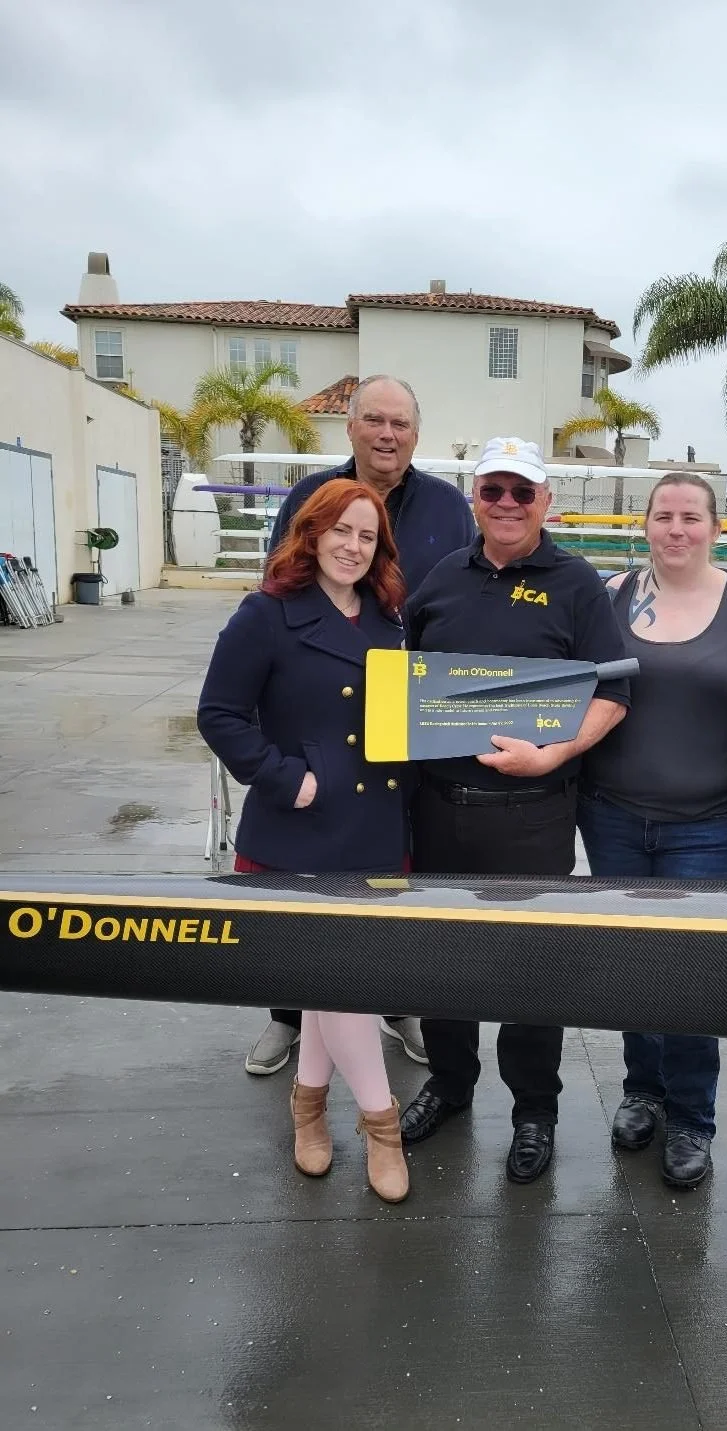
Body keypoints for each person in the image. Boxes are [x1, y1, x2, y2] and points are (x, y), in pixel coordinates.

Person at [399, 436, 631, 1184]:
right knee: (441, 959)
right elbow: (401, 683)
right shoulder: (438, 578)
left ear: (545, 501)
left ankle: (535, 1108)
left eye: (520, 492)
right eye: (492, 490)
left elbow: (613, 691)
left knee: (531, 965)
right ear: (474, 498)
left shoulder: (576, 584)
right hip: (438, 808)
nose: (505, 504)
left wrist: (556, 753)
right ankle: (450, 1083)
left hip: (531, 810)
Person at [247, 374, 475, 1076]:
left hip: (406, 732)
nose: (386, 433)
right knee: (300, 892)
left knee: (387, 886)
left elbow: (462, 610)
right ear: (348, 427)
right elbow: (275, 599)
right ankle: (289, 1016)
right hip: (315, 720)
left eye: (400, 422)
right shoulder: (310, 499)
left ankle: (393, 1006)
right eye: (373, 419)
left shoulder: (448, 508)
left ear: (416, 432)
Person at [197, 477, 411, 1204]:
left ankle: (308, 1108)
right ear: (311, 532)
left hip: (375, 829)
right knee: (337, 979)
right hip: (300, 828)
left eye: (367, 535)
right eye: (340, 530)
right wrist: (288, 778)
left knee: (334, 985)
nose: (353, 546)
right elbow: (220, 715)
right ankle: (384, 1125)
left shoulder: (388, 617)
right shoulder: (267, 613)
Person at [578, 473, 727, 1189]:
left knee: (693, 972)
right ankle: (643, 1088)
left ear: (715, 528)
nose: (676, 529)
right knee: (632, 964)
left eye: (690, 516)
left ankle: (692, 1113)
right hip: (611, 817)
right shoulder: (610, 596)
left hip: (708, 824)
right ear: (644, 525)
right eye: (663, 515)